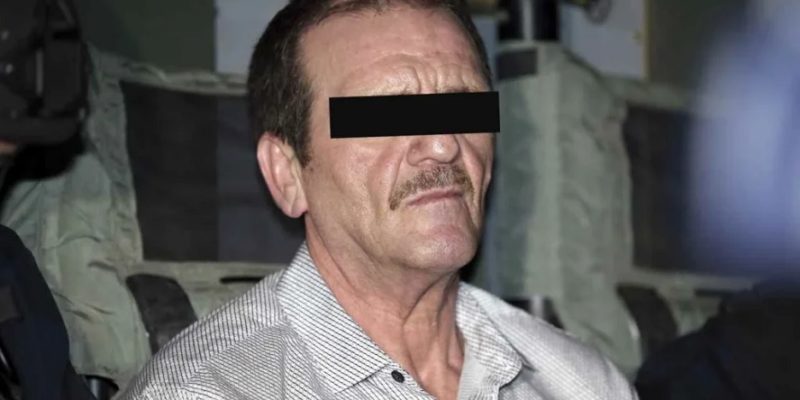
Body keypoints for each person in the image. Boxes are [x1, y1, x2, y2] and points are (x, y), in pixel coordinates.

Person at [119, 0, 637, 399]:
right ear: (287, 174)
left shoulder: (582, 384)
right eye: (385, 115)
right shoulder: (204, 391)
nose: (443, 144)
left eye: (464, 107)